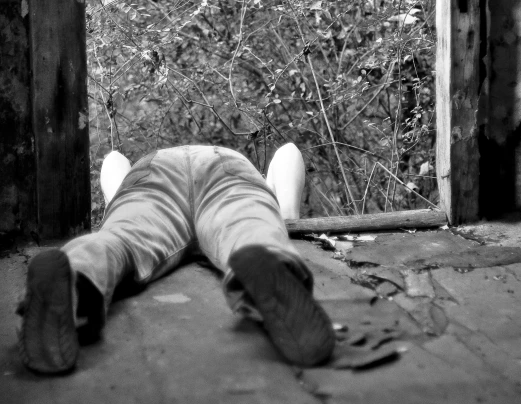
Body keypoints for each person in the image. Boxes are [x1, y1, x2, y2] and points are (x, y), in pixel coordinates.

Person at [17, 143, 336, 374]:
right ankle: (268, 259)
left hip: (156, 173)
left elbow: (114, 159)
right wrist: (287, 220)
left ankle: (75, 274)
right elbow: (289, 151)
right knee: (247, 227)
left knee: (121, 239)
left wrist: (117, 206)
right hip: (226, 170)